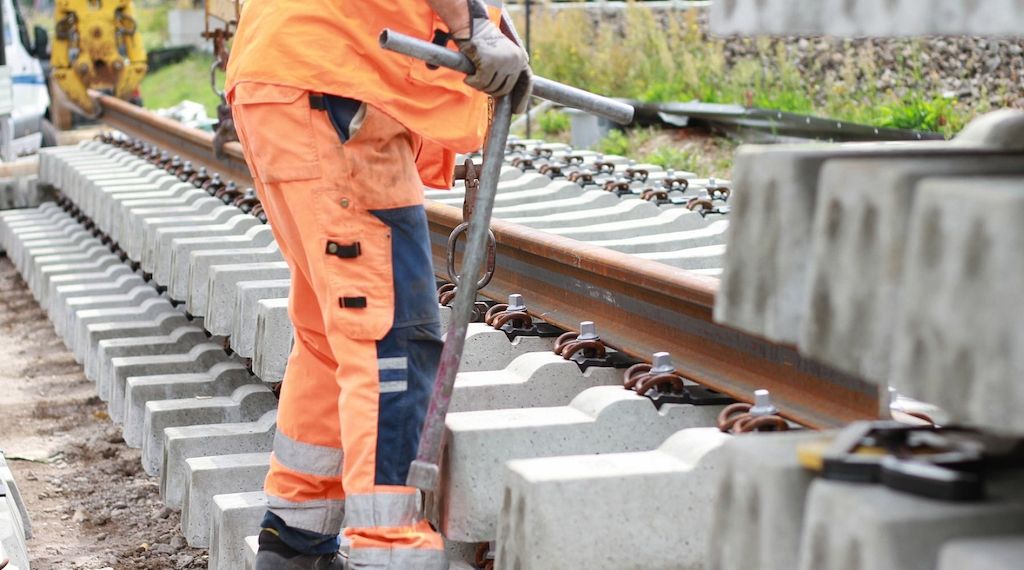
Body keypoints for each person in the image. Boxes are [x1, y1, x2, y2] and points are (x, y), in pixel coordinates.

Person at [225, 0, 531, 568]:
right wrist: (473, 27)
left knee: (328, 335)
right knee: (388, 338)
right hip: (334, 84)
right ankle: (388, 551)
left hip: (290, 74)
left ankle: (295, 541)